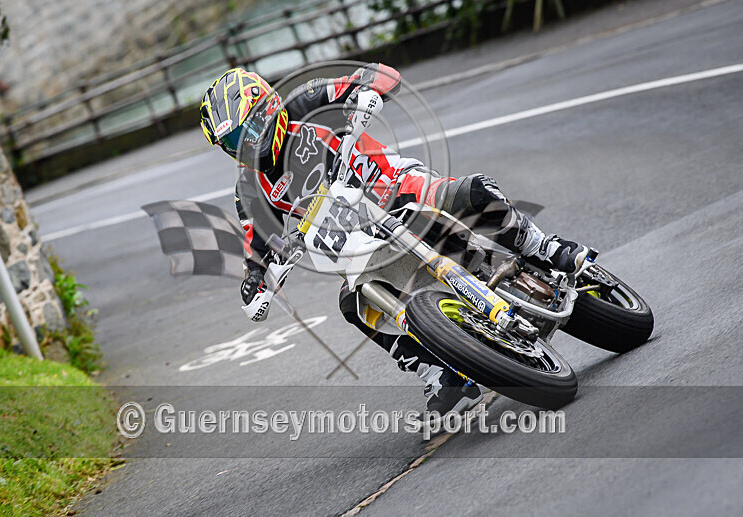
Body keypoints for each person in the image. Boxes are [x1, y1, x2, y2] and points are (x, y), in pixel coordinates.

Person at [199, 64, 587, 418]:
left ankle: (543, 247)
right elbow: (258, 243)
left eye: (245, 129)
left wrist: (368, 93)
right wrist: (255, 283)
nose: (244, 143)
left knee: (472, 192)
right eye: (231, 140)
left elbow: (378, 75)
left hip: (397, 187)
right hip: (351, 238)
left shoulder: (308, 102)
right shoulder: (249, 187)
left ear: (268, 109)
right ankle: (441, 374)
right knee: (353, 304)